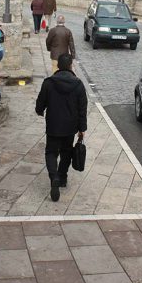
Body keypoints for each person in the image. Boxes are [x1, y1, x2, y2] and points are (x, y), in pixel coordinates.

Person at [35, 53, 88, 202]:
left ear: (58, 66)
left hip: (53, 125)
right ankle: (62, 176)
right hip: (70, 127)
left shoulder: (48, 83)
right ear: (71, 65)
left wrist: (39, 111)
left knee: (51, 152)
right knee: (66, 151)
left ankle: (54, 178)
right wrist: (82, 128)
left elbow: (41, 103)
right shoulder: (78, 85)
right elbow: (82, 109)